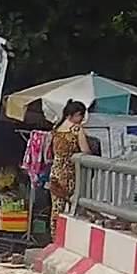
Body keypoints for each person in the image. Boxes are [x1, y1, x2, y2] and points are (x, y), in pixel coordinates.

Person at [48, 99, 92, 235]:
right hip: (68, 174)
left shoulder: (57, 128)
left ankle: (54, 234)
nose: (82, 119)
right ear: (73, 115)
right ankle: (64, 235)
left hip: (55, 171)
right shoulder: (76, 129)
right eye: (81, 115)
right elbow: (85, 150)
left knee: (56, 207)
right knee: (72, 205)